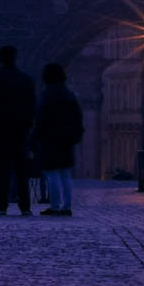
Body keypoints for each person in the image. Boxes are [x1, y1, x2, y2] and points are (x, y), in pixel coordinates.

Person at [0, 45, 36, 216]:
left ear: (0, 59)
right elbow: (31, 106)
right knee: (22, 170)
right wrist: (28, 127)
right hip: (20, 130)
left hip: (0, 130)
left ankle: (1, 205)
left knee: (1, 169)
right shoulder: (26, 79)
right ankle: (25, 206)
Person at [32, 62, 83, 217]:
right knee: (65, 173)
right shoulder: (69, 94)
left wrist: (35, 137)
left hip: (50, 138)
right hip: (66, 138)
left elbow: (40, 118)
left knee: (52, 172)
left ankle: (55, 205)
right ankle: (66, 206)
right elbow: (77, 116)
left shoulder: (46, 94)